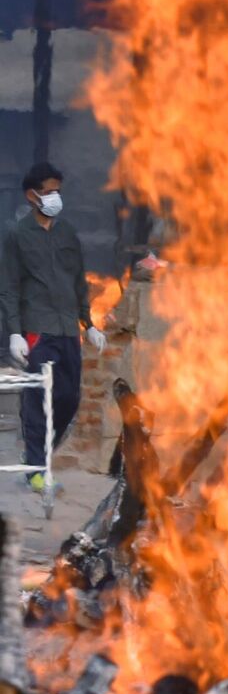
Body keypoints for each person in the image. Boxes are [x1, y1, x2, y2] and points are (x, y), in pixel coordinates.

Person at [0, 164, 106, 490]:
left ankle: (39, 456)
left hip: (67, 330)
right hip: (37, 328)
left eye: (58, 190)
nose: (55, 196)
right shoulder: (18, 236)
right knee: (38, 398)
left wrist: (88, 323)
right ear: (31, 196)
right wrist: (15, 332)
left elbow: (78, 281)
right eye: (48, 191)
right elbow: (10, 287)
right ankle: (35, 470)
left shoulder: (67, 234)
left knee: (68, 399)